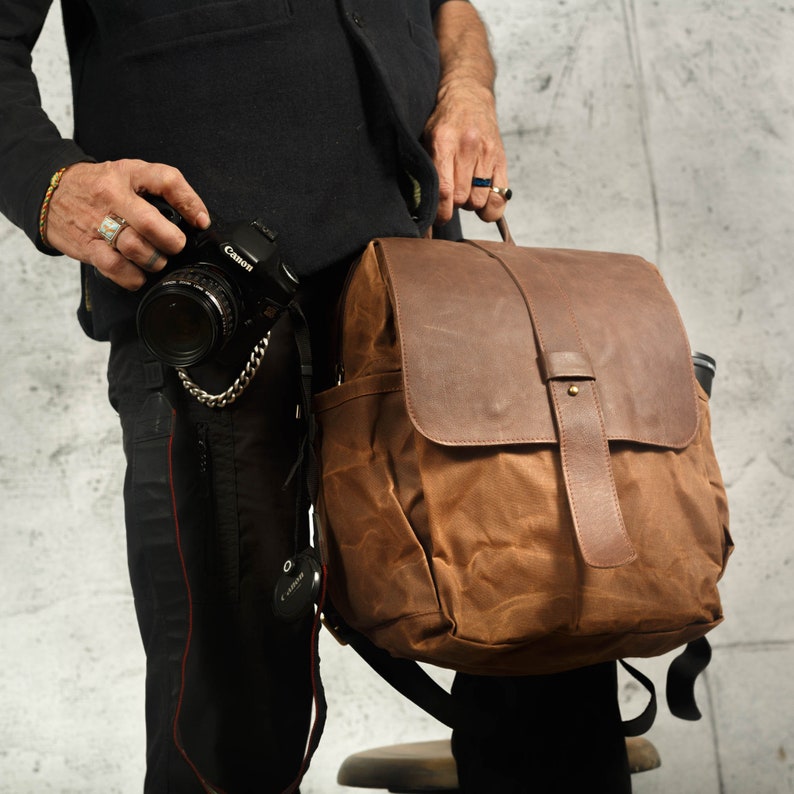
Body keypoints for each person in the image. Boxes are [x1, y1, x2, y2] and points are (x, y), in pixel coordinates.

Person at [0, 1, 630, 792]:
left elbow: (450, 9)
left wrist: (466, 89)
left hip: (429, 298)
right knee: (229, 727)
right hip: (211, 321)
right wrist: (48, 183)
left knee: (547, 646)